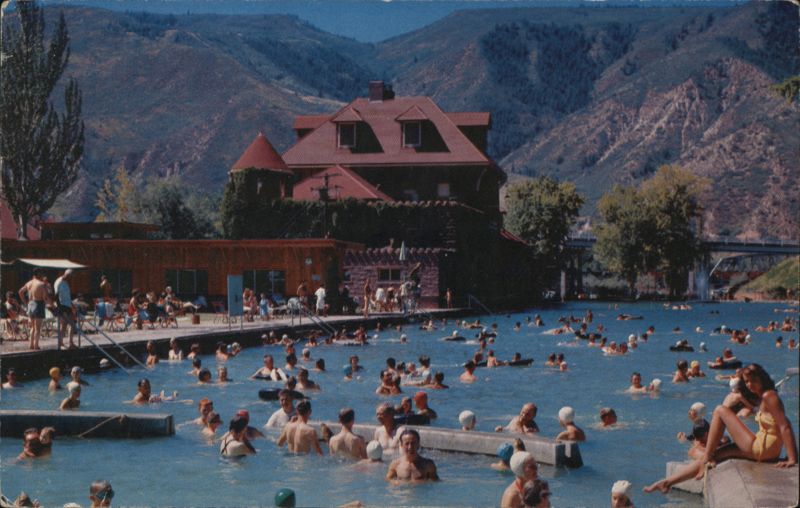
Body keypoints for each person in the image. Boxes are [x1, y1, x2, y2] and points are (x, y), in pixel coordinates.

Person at [695, 363, 798, 477]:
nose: (750, 384)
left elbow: (785, 426)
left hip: (761, 450)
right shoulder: (765, 396)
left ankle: (704, 460)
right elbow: (785, 423)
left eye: (753, 380)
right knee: (716, 455)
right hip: (767, 451)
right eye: (747, 381)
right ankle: (672, 481)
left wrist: (792, 459)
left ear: (762, 378)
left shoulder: (769, 396)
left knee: (720, 410)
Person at [18, 268, 50, 350]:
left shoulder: (29, 283)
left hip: (30, 304)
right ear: (38, 274)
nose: (42, 275)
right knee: (37, 328)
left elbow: (20, 292)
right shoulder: (41, 284)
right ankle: (36, 345)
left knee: (32, 327)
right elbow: (45, 297)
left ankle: (31, 345)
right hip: (38, 304)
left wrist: (25, 302)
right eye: (41, 273)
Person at [54, 269, 76, 348]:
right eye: (71, 277)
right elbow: (56, 296)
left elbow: (67, 296)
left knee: (71, 325)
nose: (71, 279)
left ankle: (70, 343)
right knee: (64, 325)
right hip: (62, 306)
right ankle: (61, 343)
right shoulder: (59, 282)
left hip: (68, 306)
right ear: (67, 275)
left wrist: (72, 305)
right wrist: (59, 308)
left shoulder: (66, 283)